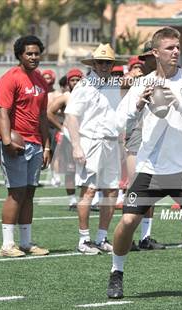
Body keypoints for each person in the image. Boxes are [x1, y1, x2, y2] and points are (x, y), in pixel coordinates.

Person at [107, 27, 182, 300]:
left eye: (178, 48)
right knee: (128, 221)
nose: (176, 52)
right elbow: (117, 124)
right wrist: (137, 107)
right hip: (150, 169)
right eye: (169, 48)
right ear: (155, 53)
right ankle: (116, 274)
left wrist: (179, 104)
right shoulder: (141, 84)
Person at [0, 35, 51, 257]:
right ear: (20, 54)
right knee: (16, 193)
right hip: (15, 143)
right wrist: (7, 140)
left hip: (36, 143)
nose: (34, 57)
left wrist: (46, 146)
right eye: (29, 53)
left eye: (37, 53)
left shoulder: (40, 80)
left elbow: (43, 116)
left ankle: (26, 242)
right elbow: (2, 112)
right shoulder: (10, 78)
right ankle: (7, 245)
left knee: (29, 193)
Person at [65, 44, 122, 255]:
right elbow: (71, 116)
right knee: (88, 190)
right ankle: (84, 239)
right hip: (90, 141)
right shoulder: (83, 85)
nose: (104, 66)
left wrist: (121, 142)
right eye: (100, 62)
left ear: (113, 64)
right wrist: (77, 145)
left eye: (108, 62)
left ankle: (101, 238)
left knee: (112, 190)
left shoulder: (115, 84)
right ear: (94, 64)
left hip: (111, 141)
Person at [123, 43, 166, 251]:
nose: (152, 60)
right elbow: (127, 113)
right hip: (139, 136)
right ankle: (127, 236)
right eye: (149, 56)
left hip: (158, 138)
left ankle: (146, 236)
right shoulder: (139, 83)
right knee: (135, 187)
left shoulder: (169, 80)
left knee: (151, 188)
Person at [47, 68, 83, 210]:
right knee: (70, 169)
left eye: (78, 79)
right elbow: (49, 113)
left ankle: (92, 200)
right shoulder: (66, 96)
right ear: (68, 82)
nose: (75, 82)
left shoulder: (90, 94)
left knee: (93, 168)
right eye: (73, 80)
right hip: (70, 137)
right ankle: (72, 200)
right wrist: (61, 127)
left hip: (87, 136)